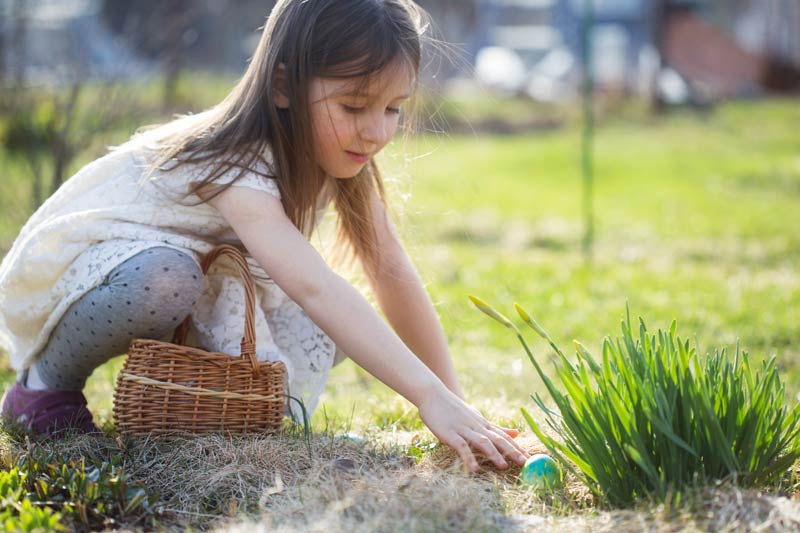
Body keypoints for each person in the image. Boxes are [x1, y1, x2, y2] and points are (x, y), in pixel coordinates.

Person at [0, 0, 529, 473]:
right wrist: (425, 394)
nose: (376, 131)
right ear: (282, 87)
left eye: (393, 108)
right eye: (353, 106)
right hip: (92, 272)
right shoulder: (232, 156)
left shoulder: (346, 161)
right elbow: (313, 285)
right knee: (167, 278)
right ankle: (43, 390)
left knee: (335, 324)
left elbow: (391, 273)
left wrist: (451, 402)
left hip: (193, 278)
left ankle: (189, 408)